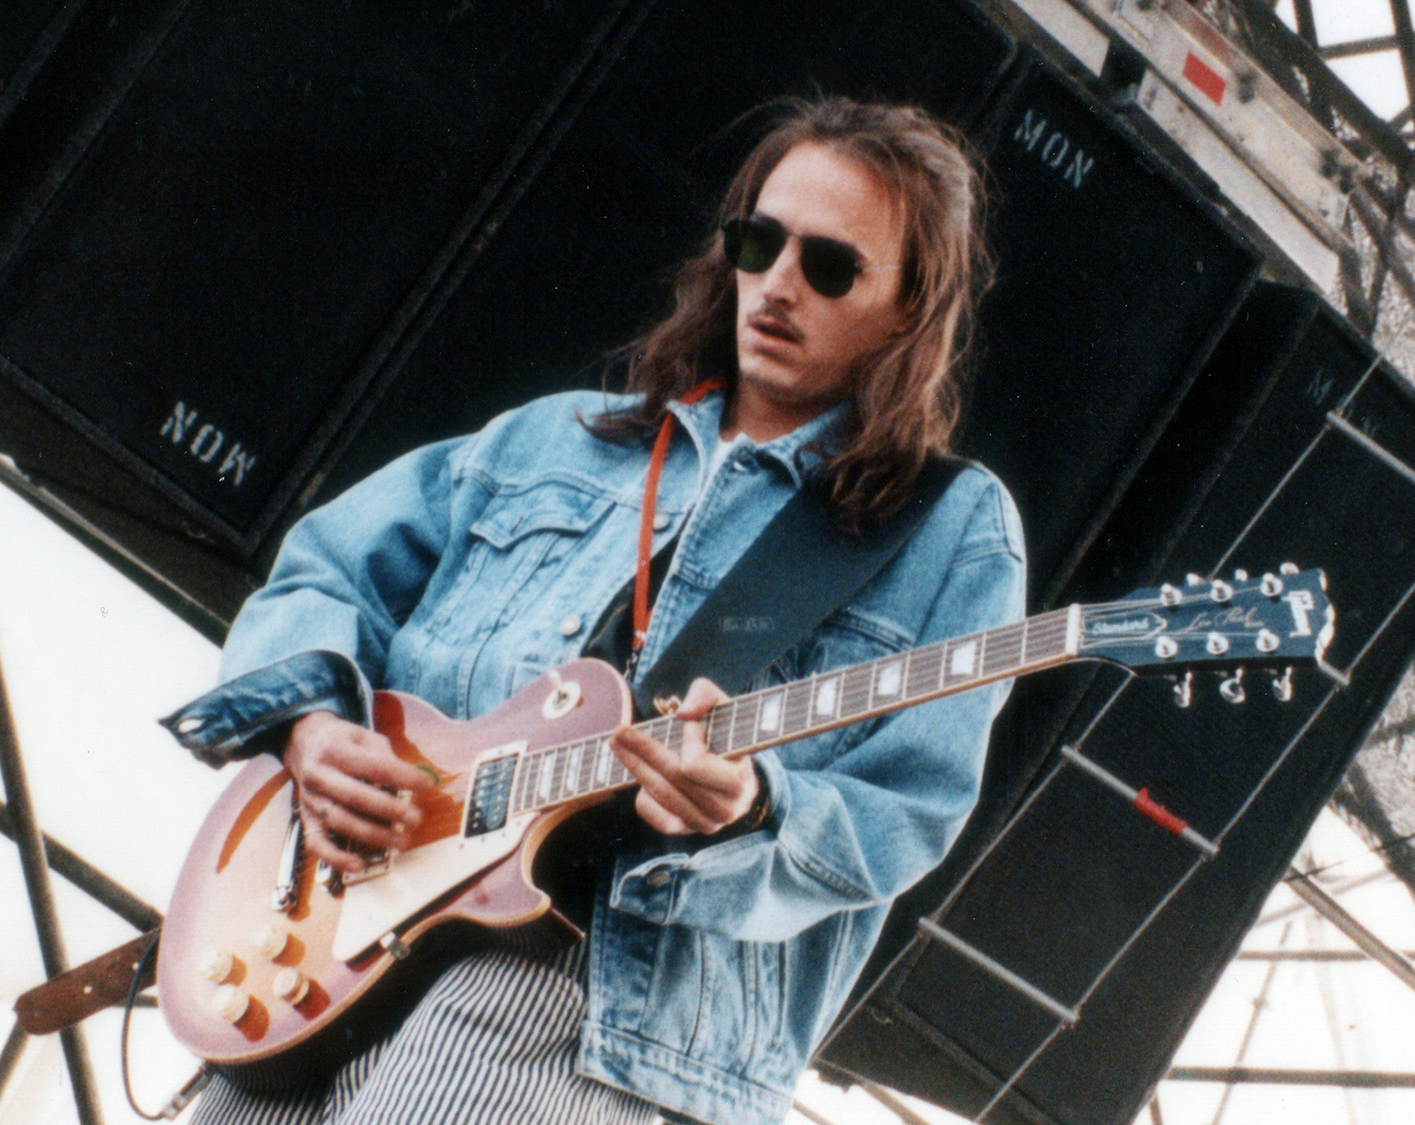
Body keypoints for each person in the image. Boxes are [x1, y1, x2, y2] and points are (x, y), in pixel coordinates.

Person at [164, 96, 1026, 1125]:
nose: (778, 285)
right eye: (758, 243)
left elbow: (908, 809)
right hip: (343, 937)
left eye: (830, 266)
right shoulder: (555, 438)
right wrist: (313, 729)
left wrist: (753, 807)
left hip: (589, 1007)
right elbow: (322, 574)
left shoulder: (945, 528)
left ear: (907, 305)